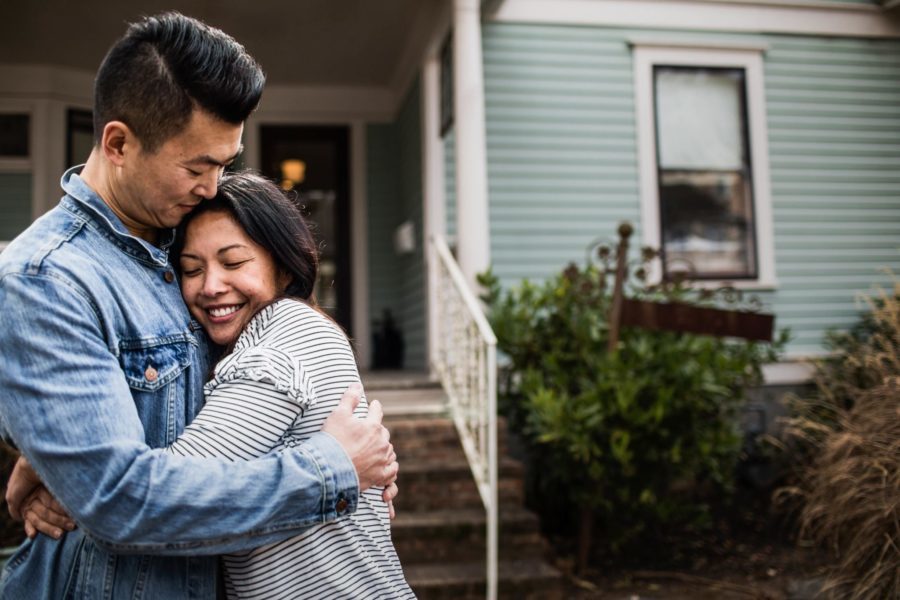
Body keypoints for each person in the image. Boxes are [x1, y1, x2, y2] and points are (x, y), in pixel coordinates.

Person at [0, 12, 397, 599]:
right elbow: (119, 502)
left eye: (224, 165)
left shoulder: (183, 239)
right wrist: (330, 470)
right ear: (118, 143)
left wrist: (357, 472)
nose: (212, 188)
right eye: (197, 167)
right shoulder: (48, 278)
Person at [167, 171, 414, 599]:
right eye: (192, 269)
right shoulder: (268, 336)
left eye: (233, 262)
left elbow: (172, 496)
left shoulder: (285, 334)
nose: (210, 287)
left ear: (282, 266)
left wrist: (70, 476)